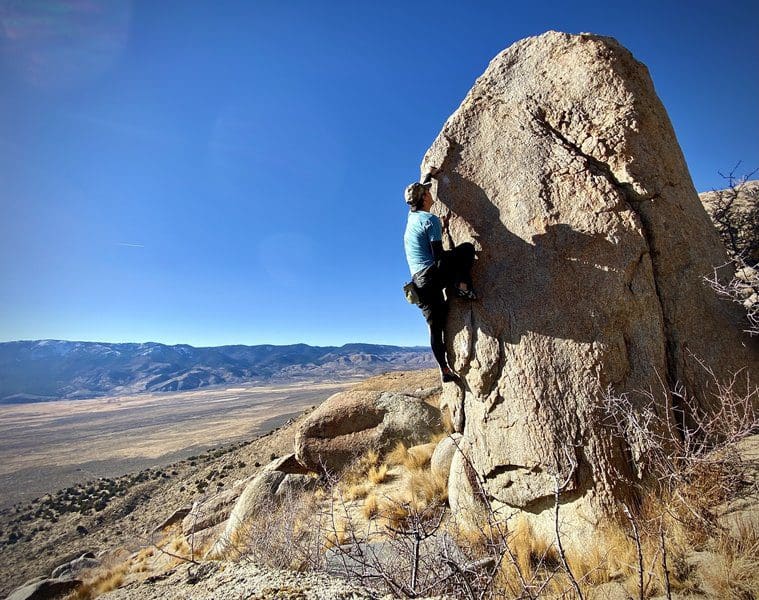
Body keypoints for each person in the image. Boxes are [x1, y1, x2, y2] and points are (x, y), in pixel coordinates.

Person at [403, 169, 476, 383]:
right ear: (425, 197)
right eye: (427, 191)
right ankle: (463, 288)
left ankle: (444, 370)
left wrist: (427, 176)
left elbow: (416, 191)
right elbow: (439, 257)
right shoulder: (429, 220)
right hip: (432, 274)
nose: (430, 192)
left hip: (418, 282)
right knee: (466, 250)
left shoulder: (412, 216)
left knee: (436, 326)